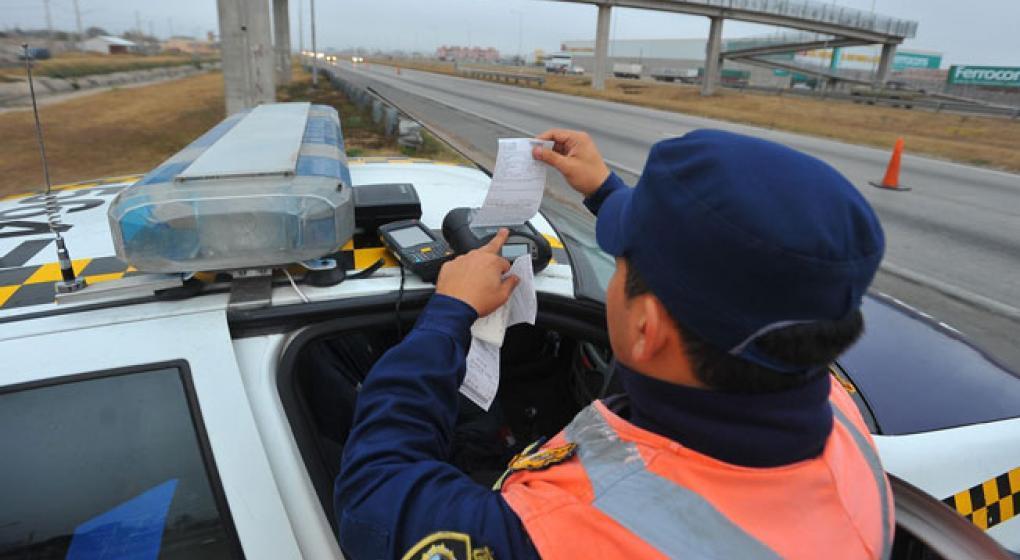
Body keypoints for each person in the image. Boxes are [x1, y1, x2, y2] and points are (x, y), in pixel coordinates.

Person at [334, 128, 892, 559]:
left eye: (622, 262)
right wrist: (608, 194)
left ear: (647, 329)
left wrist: (447, 315)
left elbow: (373, 496)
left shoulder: (560, 532)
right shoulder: (839, 419)